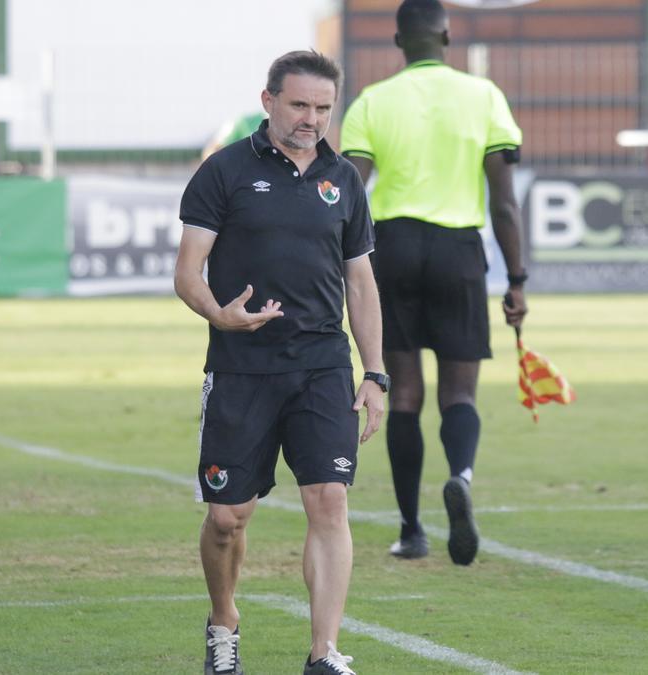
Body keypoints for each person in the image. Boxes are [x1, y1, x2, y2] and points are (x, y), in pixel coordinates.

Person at [175, 50, 386, 675]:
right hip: (241, 366)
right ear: (268, 101)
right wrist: (220, 314)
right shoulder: (223, 172)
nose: (311, 119)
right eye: (299, 105)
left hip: (323, 365)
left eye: (323, 108)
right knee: (226, 519)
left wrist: (374, 373)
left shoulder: (343, 178)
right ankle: (224, 620)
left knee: (329, 501)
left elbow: (362, 283)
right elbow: (188, 273)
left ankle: (324, 652)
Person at [340, 0, 528, 566]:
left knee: (404, 394)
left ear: (399, 41)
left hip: (392, 250)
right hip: (458, 250)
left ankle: (411, 529)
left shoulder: (372, 100)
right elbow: (505, 203)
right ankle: (461, 476)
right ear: (447, 35)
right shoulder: (485, 95)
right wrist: (516, 281)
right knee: (459, 394)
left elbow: (350, 196)